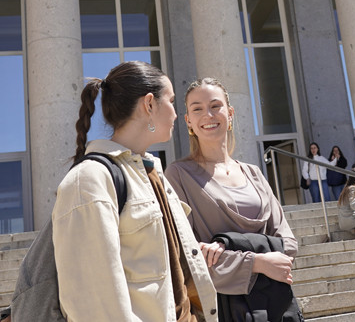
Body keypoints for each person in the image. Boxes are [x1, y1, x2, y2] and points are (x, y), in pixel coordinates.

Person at [52, 61, 218, 322]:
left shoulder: (154, 174)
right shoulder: (90, 180)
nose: (176, 114)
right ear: (149, 104)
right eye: (172, 101)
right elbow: (94, 307)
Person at [165, 78, 302, 322]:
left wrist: (225, 246)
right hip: (219, 309)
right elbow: (186, 257)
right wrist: (257, 262)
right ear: (188, 121)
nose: (208, 114)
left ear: (230, 113)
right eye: (197, 108)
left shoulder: (254, 174)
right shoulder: (178, 175)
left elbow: (288, 244)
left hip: (274, 306)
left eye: (215, 106)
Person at [337, 159, 355, 235]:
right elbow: (354, 205)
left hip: (344, 222)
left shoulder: (346, 188)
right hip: (352, 220)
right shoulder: (353, 188)